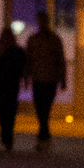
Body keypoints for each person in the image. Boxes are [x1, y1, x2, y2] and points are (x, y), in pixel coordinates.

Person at [25, 9, 66, 147]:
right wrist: (26, 76)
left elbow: (60, 60)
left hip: (50, 79)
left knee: (46, 107)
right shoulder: (33, 40)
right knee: (40, 107)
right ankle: (44, 132)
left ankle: (43, 133)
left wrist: (62, 79)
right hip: (39, 78)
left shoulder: (54, 40)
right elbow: (29, 59)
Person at [0, 21, 27, 150]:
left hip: (11, 84)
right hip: (1, 83)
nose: (5, 39)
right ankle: (5, 134)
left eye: (7, 36)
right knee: (0, 109)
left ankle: (8, 137)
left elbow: (22, 65)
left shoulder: (17, 50)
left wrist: (24, 77)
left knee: (10, 111)